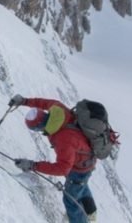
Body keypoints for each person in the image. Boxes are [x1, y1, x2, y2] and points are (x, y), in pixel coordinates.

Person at [9, 94, 97, 223]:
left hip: (79, 167)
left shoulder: (63, 139)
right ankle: (91, 213)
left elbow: (62, 169)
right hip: (85, 157)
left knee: (71, 200)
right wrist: (24, 101)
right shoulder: (58, 110)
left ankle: (79, 220)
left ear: (39, 127)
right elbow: (43, 102)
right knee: (81, 187)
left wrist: (33, 165)